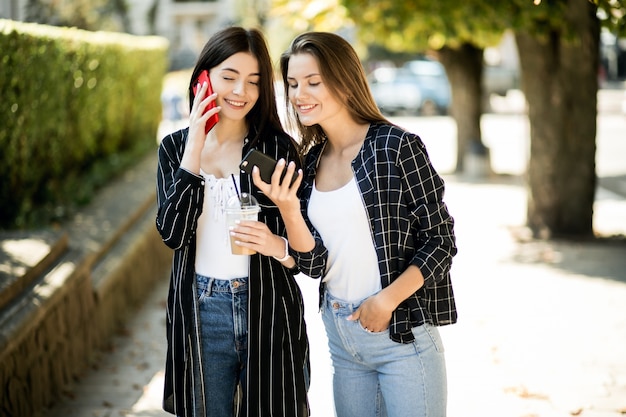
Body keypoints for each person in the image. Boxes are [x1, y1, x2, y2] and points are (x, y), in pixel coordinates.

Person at [252, 31, 458, 417]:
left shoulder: (395, 147)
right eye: (293, 84)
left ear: (346, 84)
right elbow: (315, 264)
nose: (300, 94)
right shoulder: (310, 162)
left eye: (314, 82)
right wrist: (289, 208)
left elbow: (441, 240)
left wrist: (387, 300)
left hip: (401, 335)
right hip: (342, 339)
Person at [156, 27, 309, 417]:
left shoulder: (277, 149)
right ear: (204, 77)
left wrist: (277, 242)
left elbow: (307, 252)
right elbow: (172, 234)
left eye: (254, 82)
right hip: (202, 309)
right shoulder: (174, 148)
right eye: (229, 77)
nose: (241, 91)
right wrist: (195, 143)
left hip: (268, 304)